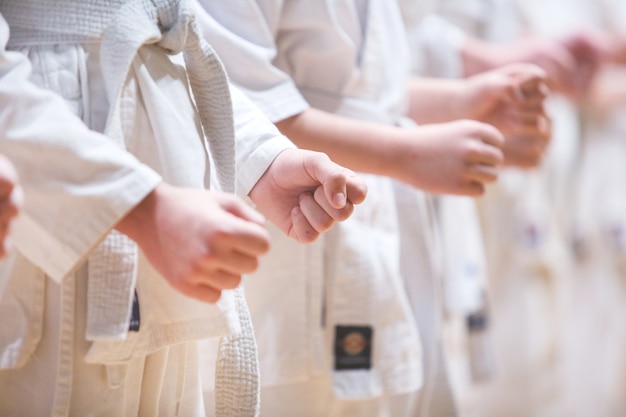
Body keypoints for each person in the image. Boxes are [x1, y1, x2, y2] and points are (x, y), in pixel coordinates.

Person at [0, 3, 367, 416]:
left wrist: (261, 160)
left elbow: (161, 37)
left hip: (164, 185)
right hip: (47, 195)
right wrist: (142, 209)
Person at [193, 1, 549, 416]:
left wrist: (464, 102)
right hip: (285, 234)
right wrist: (408, 156)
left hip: (376, 244)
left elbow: (365, 91)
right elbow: (226, 94)